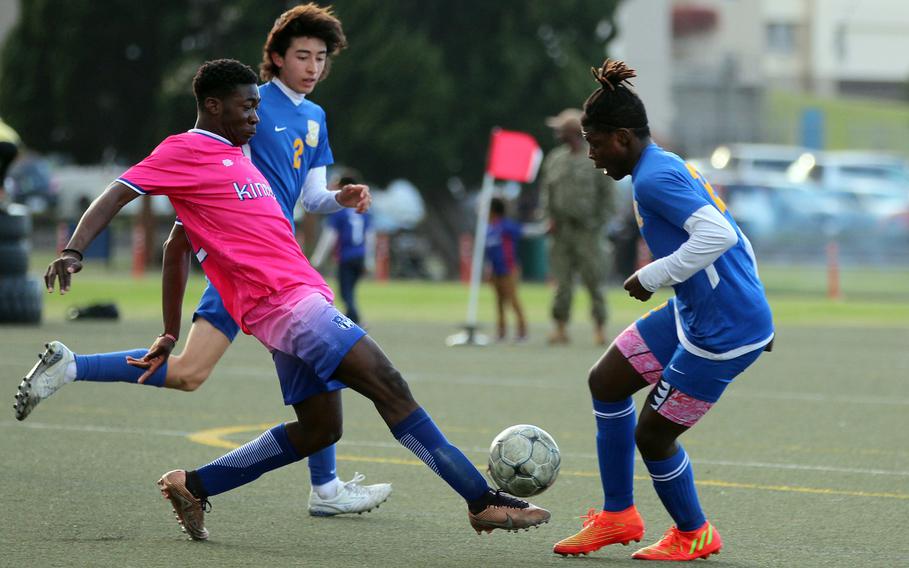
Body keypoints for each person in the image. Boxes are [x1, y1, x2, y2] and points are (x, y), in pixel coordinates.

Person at [37, 58, 550, 541]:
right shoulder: (182, 150)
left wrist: (170, 330)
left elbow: (176, 246)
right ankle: (481, 501)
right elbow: (117, 192)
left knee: (321, 429)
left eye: (258, 107)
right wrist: (73, 249)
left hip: (294, 304)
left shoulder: (235, 156)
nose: (256, 117)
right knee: (390, 387)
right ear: (214, 107)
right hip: (287, 307)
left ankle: (194, 485)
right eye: (246, 107)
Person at [13, 4, 391, 518]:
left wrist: (340, 198)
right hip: (243, 262)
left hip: (279, 264)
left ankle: (325, 488)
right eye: (302, 55)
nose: (312, 66)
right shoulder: (251, 106)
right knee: (247, 365)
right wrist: (78, 247)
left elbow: (311, 196)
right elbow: (210, 170)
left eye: (321, 58)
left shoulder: (315, 117)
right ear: (274, 59)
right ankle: (324, 488)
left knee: (201, 371)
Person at [551, 60, 773, 561]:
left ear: (624, 138)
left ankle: (694, 532)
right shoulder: (663, 165)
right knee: (606, 381)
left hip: (722, 329)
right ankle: (617, 516)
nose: (590, 154)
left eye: (595, 142)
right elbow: (731, 231)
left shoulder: (654, 179)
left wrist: (651, 276)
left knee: (652, 434)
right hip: (699, 312)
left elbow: (719, 235)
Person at [538, 108, 616, 346]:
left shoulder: (595, 160)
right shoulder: (555, 159)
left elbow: (608, 198)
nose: (558, 134)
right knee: (562, 282)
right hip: (562, 231)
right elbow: (547, 193)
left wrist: (598, 224)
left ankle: (600, 328)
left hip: (588, 232)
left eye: (561, 130)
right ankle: (560, 327)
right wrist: (548, 217)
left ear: (572, 132)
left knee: (594, 281)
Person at [310, 171, 373, 325]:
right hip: (360, 255)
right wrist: (369, 259)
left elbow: (329, 237)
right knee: (350, 291)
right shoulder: (363, 210)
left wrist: (317, 258)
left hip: (347, 256)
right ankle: (352, 320)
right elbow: (370, 236)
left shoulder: (338, 213)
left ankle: (355, 322)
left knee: (345, 293)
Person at [484, 197, 527, 342]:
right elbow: (490, 252)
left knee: (513, 300)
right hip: (495, 270)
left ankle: (522, 332)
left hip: (508, 269)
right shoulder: (489, 229)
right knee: (499, 302)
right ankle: (501, 332)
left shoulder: (506, 226)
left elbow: (520, 232)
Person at [0, 116, 20, 187]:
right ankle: (1, 187)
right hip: (14, 148)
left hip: (3, 145)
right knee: (4, 170)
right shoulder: (4, 127)